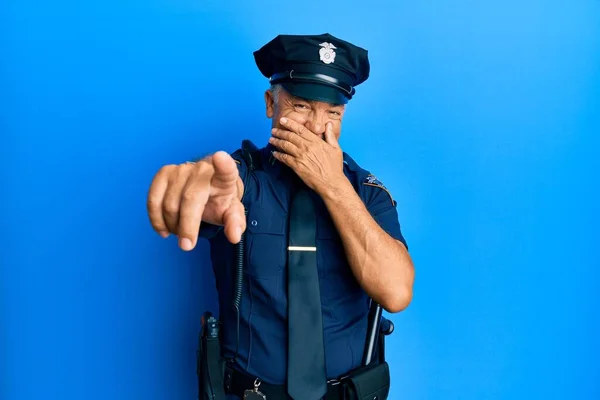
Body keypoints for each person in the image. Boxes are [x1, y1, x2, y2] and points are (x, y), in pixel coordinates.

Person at [146, 33, 415, 400]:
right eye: (302, 106)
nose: (317, 128)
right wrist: (192, 192)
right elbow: (211, 191)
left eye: (332, 113)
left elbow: (396, 292)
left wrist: (333, 186)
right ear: (271, 103)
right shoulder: (241, 178)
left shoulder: (365, 192)